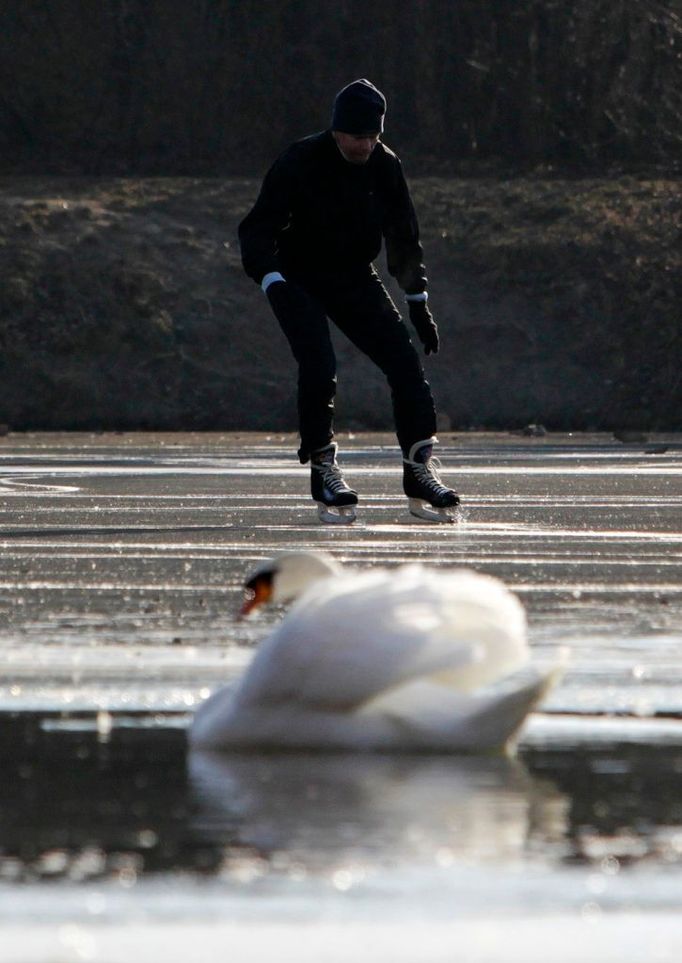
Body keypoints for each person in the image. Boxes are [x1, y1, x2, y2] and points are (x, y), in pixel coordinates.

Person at [238, 78, 459, 523]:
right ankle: (324, 471)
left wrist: (417, 300)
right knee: (320, 365)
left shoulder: (385, 165)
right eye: (357, 137)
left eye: (372, 136)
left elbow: (403, 238)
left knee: (405, 363)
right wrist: (272, 279)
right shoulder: (300, 160)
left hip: (354, 275)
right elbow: (256, 230)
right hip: (296, 276)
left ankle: (418, 471)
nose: (365, 145)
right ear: (337, 130)